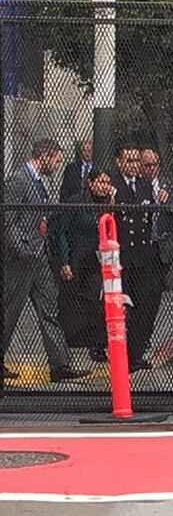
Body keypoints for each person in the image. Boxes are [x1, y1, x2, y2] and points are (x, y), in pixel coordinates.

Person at [1, 139, 89, 384]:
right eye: (56, 160)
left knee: (50, 309)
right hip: (21, 259)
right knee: (9, 312)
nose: (57, 165)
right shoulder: (19, 180)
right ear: (45, 156)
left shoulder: (38, 182)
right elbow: (7, 218)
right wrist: (21, 247)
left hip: (38, 258)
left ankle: (60, 364)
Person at [113, 145, 167, 372]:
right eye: (130, 161)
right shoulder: (115, 187)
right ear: (119, 162)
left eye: (137, 161)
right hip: (124, 257)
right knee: (121, 309)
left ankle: (136, 352)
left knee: (145, 307)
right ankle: (120, 353)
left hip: (144, 257)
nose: (134, 166)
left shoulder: (145, 187)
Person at [55, 169, 117, 362]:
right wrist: (64, 260)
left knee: (98, 300)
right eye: (100, 182)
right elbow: (62, 231)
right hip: (80, 255)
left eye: (107, 182)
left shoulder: (108, 204)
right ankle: (75, 339)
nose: (104, 186)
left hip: (101, 258)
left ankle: (98, 343)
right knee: (77, 300)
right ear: (90, 183)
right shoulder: (77, 202)